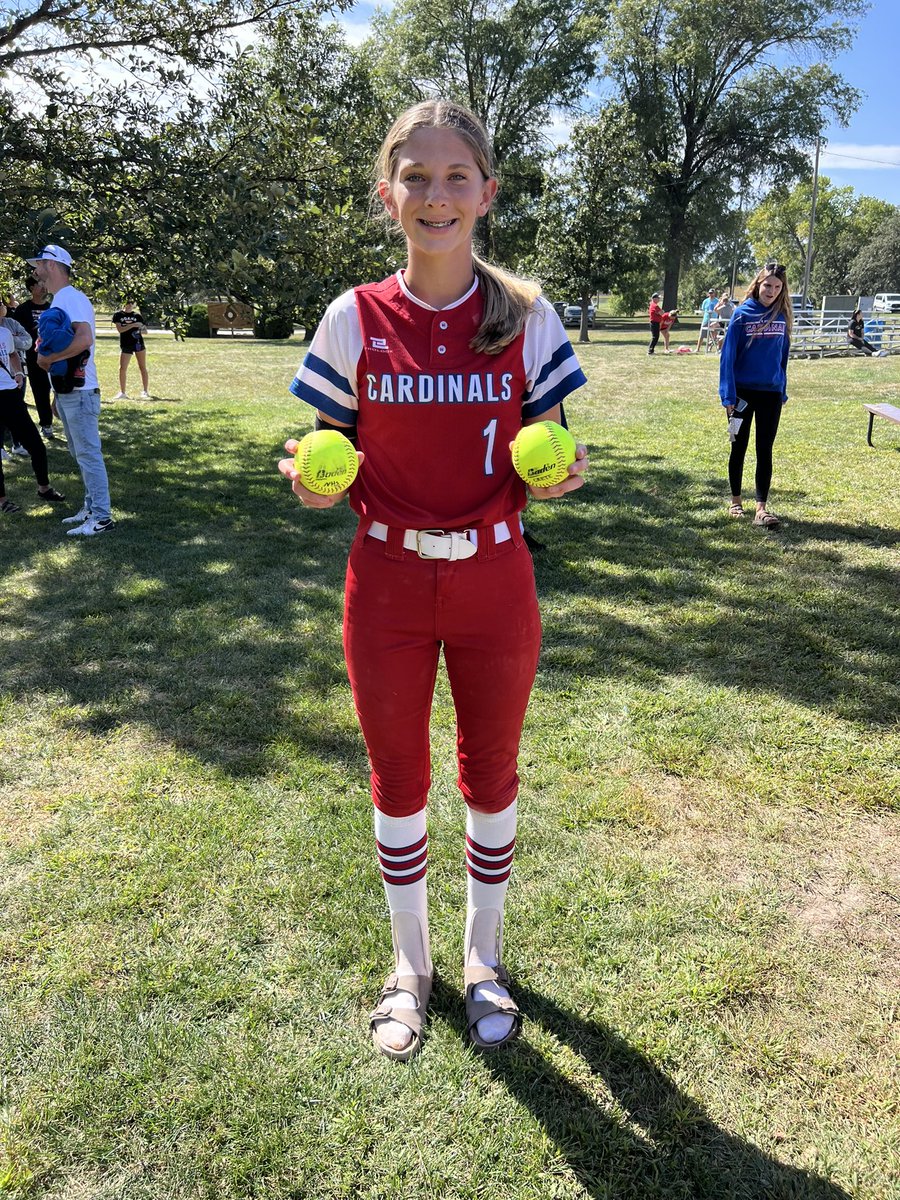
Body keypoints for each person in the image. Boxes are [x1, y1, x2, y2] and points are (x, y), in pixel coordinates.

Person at [279, 99, 588, 1061]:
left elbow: (550, 448)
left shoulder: (528, 317)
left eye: (457, 177)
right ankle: (410, 966)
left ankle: (482, 959)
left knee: (491, 773)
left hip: (496, 575)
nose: (436, 195)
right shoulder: (354, 316)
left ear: (487, 194)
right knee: (399, 776)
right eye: (416, 177)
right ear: (388, 195)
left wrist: (561, 474)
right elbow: (328, 450)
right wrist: (312, 481)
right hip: (387, 578)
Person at [27, 244, 115, 535]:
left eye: (39, 265)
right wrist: (57, 393)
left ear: (52, 265)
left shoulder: (71, 298)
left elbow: (84, 340)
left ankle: (101, 518)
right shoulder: (63, 298)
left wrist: (48, 359)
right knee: (80, 454)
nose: (36, 271)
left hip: (81, 392)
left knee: (88, 454)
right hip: (70, 392)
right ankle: (90, 508)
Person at [719, 262, 791, 529]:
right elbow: (727, 357)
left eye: (777, 287)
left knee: (765, 449)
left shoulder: (781, 316)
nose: (771, 291)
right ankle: (736, 501)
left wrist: (782, 388)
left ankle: (761, 508)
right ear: (758, 284)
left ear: (782, 289)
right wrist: (727, 395)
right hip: (742, 395)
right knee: (738, 446)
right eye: (767, 285)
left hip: (770, 395)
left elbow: (782, 357)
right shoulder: (742, 315)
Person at [0, 318, 66, 515]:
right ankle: (2, 501)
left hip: (10, 394)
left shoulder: (4, 333)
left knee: (36, 444)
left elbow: (12, 354)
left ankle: (44, 488)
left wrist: (19, 373)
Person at [12, 277, 54, 439]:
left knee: (58, 390)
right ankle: (46, 424)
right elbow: (16, 334)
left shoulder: (52, 308)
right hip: (34, 358)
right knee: (40, 391)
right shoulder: (23, 310)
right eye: (39, 284)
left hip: (55, 356)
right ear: (31, 288)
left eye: (44, 283)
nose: (44, 286)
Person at [111, 299, 151, 398]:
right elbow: (120, 330)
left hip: (138, 343)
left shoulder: (137, 316)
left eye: (131, 303)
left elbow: (145, 331)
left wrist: (139, 329)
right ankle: (122, 392)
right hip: (126, 344)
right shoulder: (118, 315)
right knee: (122, 368)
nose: (129, 305)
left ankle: (145, 391)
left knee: (142, 367)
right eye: (127, 303)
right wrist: (133, 325)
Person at [696, 288, 719, 352]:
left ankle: (709, 348)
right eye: (710, 293)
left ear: (714, 293)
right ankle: (697, 349)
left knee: (713, 335)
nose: (711, 294)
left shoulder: (717, 301)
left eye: (712, 293)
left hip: (714, 320)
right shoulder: (705, 301)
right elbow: (703, 309)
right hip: (706, 319)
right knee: (701, 335)